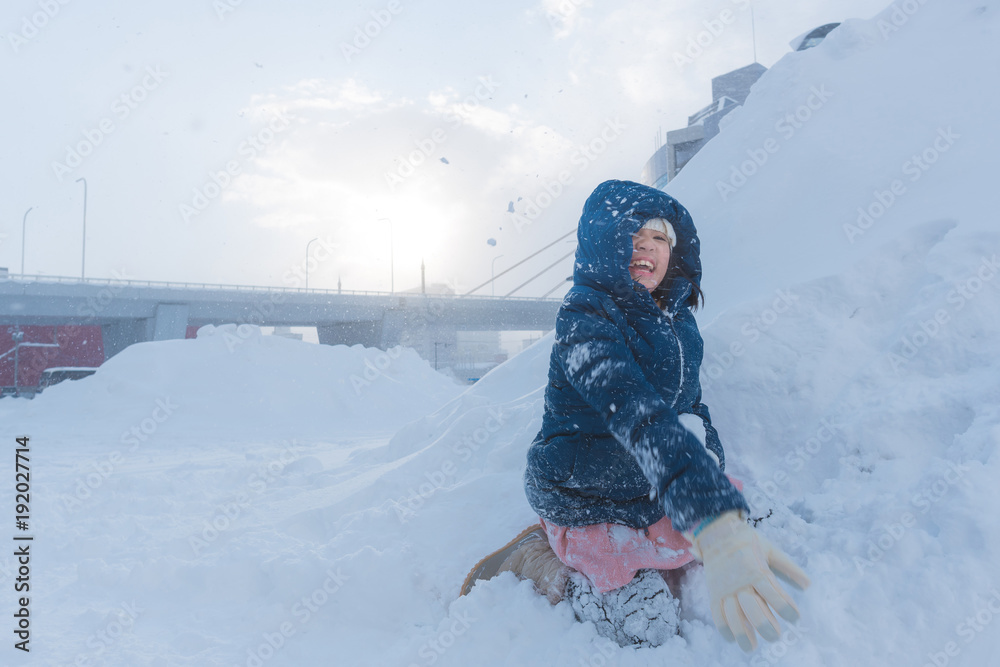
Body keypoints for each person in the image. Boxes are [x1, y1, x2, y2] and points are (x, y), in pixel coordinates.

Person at [461, 179, 810, 651]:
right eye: (632, 234)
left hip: (653, 488)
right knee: (648, 626)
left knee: (759, 528)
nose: (647, 245)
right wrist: (712, 516)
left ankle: (675, 537)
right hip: (587, 495)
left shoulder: (678, 322)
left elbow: (689, 407)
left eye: (661, 238)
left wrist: (710, 469)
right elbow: (634, 412)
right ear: (603, 245)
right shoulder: (584, 319)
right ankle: (539, 558)